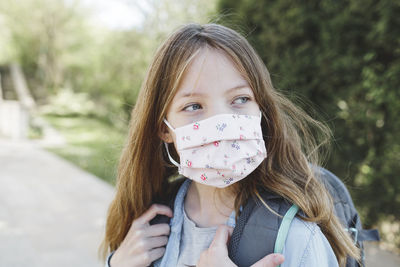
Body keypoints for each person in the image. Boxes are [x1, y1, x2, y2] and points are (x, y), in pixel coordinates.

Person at [99, 23, 360, 267]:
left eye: (240, 99)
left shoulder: (296, 235)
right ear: (164, 129)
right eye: (193, 106)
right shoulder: (149, 227)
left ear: (261, 110)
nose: (220, 122)